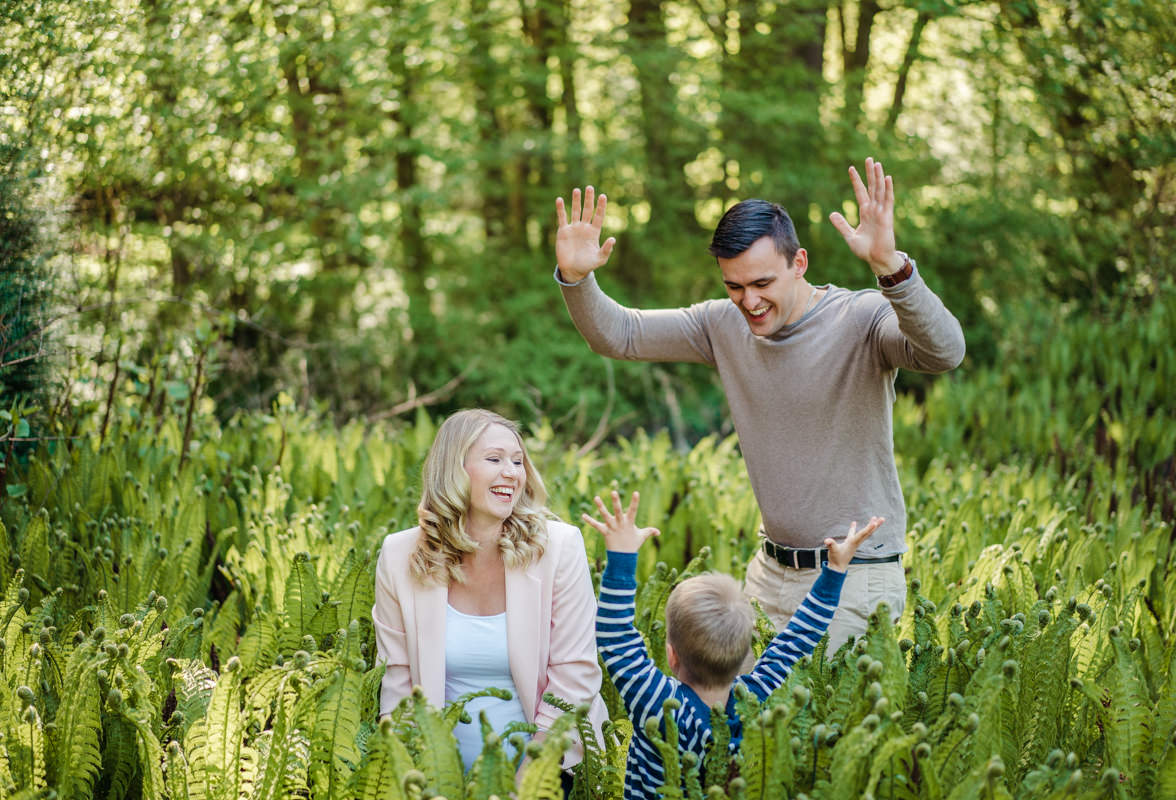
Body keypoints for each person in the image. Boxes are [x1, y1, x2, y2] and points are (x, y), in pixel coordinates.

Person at [553, 158, 965, 650]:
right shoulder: (721, 325)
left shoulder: (861, 319)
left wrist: (892, 269)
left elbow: (945, 352)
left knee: (822, 724)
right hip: (769, 575)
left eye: (762, 284)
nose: (749, 302)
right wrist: (577, 280)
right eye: (734, 286)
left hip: (854, 578)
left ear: (799, 263)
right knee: (742, 721)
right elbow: (620, 334)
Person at [584, 488, 883, 799]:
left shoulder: (658, 704)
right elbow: (798, 639)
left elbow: (615, 638)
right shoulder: (752, 700)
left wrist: (621, 554)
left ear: (671, 655)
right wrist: (835, 570)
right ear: (745, 652)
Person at [372, 408, 607, 781]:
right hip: (439, 780)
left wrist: (526, 783)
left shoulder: (560, 547)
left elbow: (574, 677)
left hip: (550, 772)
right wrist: (417, 776)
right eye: (495, 459)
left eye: (518, 461)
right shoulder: (400, 556)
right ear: (453, 470)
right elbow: (398, 688)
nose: (513, 473)